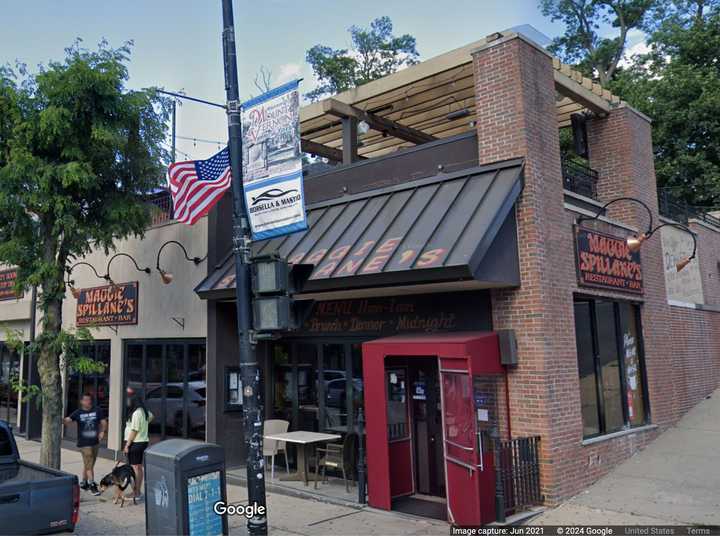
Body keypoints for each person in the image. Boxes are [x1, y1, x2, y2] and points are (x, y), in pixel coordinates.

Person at [64, 394, 107, 495]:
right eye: (86, 400)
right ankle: (91, 484)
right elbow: (67, 420)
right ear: (81, 402)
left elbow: (104, 422)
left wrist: (102, 432)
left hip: (95, 442)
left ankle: (83, 482)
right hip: (84, 443)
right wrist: (61, 419)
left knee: (89, 464)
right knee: (89, 463)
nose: (88, 401)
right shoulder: (78, 412)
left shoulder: (97, 410)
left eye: (89, 400)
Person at [123, 387, 153, 500]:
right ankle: (138, 491)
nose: (128, 401)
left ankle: (136, 492)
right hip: (143, 441)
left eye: (130, 399)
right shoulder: (144, 411)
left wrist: (127, 445)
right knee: (139, 467)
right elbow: (151, 416)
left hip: (135, 442)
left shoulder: (136, 413)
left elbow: (134, 430)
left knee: (134, 468)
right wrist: (144, 426)